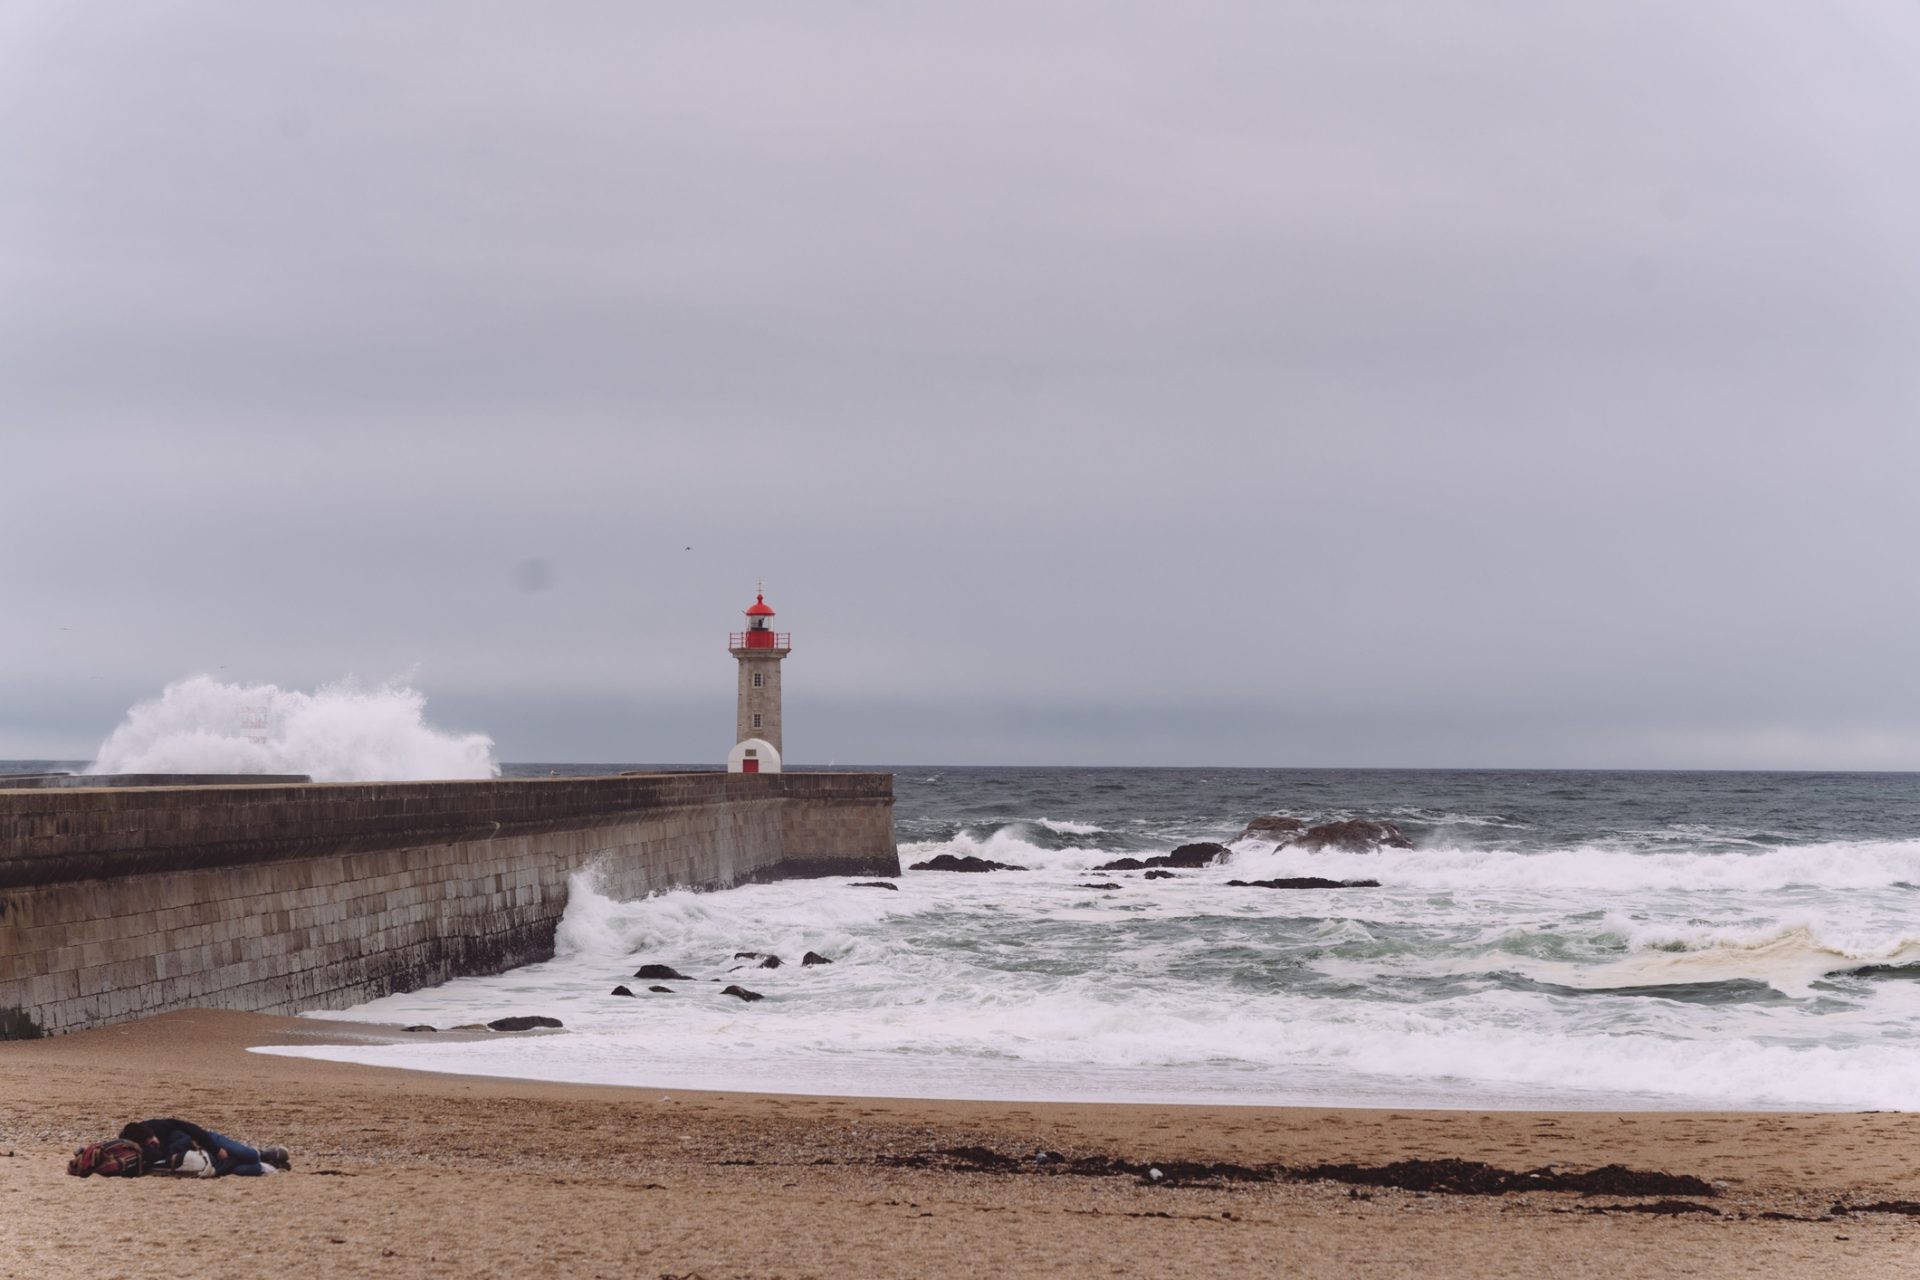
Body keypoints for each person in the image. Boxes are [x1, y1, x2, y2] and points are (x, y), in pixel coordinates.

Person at [118, 1118, 290, 1177]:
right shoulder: (144, 1150)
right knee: (241, 1170)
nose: (155, 1143)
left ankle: (260, 1153)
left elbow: (191, 1128)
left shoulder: (157, 1126)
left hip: (208, 1142)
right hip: (203, 1158)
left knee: (248, 1156)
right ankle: (272, 1166)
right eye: (151, 1144)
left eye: (154, 1140)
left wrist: (216, 1148)